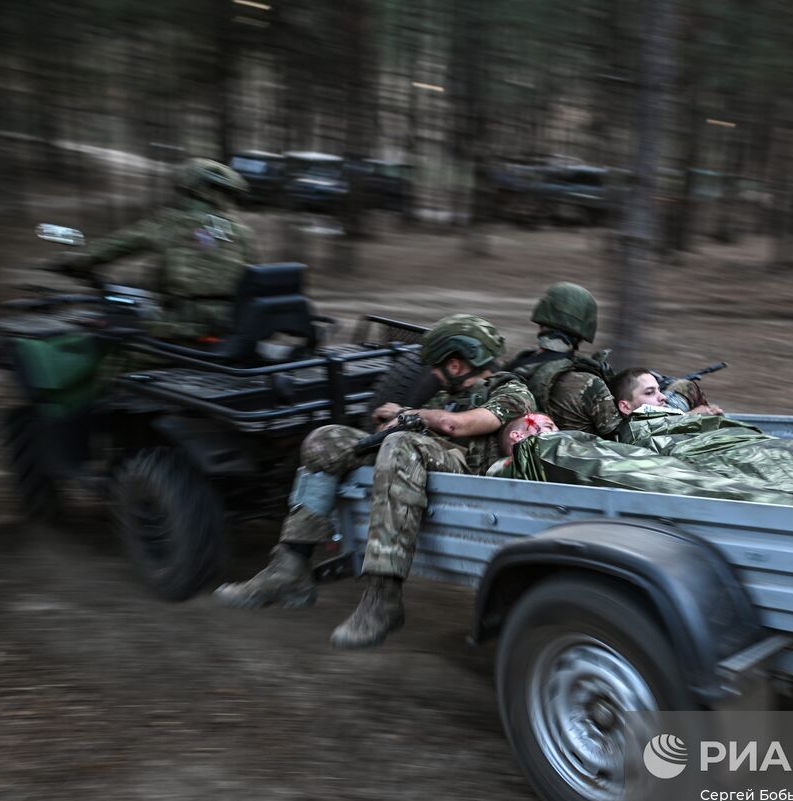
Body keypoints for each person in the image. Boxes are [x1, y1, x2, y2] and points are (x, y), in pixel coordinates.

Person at [213, 314, 536, 649]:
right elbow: (404, 430)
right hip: (416, 459)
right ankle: (288, 568)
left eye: (436, 367)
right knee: (325, 441)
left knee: (401, 445)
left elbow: (459, 427)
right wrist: (393, 422)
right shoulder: (444, 397)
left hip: (467, 472)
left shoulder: (511, 391)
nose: (432, 374)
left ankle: (383, 597)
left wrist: (411, 417)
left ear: (456, 365)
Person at [56, 158, 257, 342]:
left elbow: (110, 249)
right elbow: (253, 276)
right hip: (231, 326)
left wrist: (69, 262)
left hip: (183, 326)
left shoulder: (167, 224)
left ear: (192, 188)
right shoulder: (243, 233)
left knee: (113, 351)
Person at [506, 282, 620, 436]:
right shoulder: (589, 383)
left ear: (540, 321)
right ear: (586, 329)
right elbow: (620, 438)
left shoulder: (513, 368)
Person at [609, 367, 724, 421]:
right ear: (625, 407)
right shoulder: (632, 432)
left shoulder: (657, 410)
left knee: (685, 385)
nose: (662, 397)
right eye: (649, 393)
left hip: (669, 414)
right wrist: (693, 418)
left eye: (659, 390)